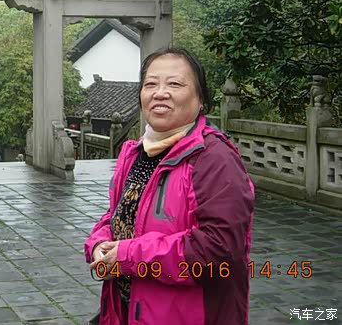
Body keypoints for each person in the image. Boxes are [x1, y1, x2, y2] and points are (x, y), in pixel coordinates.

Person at [85, 47, 255, 325]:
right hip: (125, 310)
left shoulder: (214, 159)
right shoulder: (137, 152)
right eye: (151, 84)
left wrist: (129, 255)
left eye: (174, 84)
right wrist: (98, 243)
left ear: (201, 99)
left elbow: (217, 249)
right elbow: (119, 215)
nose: (160, 93)